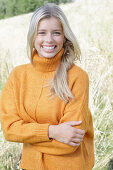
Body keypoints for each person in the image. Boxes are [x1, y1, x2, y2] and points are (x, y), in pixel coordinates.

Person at [0, 3, 94, 170]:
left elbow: (70, 142)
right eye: (41, 33)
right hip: (29, 166)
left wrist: (27, 135)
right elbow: (9, 130)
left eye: (56, 33)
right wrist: (53, 132)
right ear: (32, 37)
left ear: (65, 36)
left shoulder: (77, 77)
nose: (49, 40)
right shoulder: (18, 75)